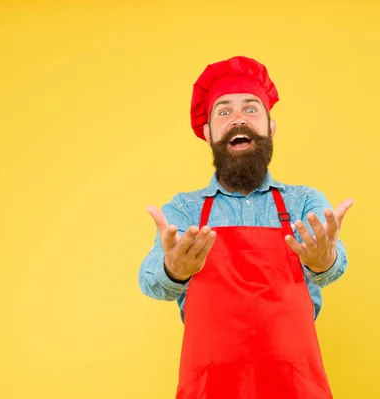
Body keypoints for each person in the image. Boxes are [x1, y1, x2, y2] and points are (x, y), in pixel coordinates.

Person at [139, 55, 354, 399]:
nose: (238, 119)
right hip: (210, 387)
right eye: (224, 111)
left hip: (295, 385)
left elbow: (333, 265)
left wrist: (322, 260)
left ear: (270, 127)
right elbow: (150, 282)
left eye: (251, 109)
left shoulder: (303, 203)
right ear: (208, 133)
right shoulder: (185, 209)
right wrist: (174, 269)